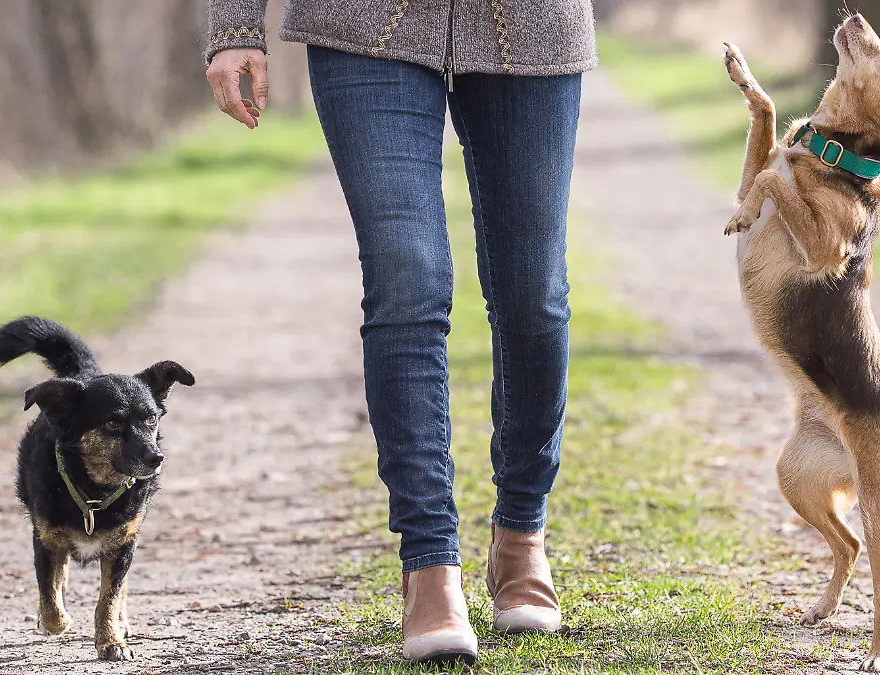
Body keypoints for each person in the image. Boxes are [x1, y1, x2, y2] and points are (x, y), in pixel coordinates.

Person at [204, 0, 596, 664]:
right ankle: (430, 562)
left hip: (532, 24)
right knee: (406, 275)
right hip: (362, 22)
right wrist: (235, 27)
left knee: (535, 295)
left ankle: (522, 530)